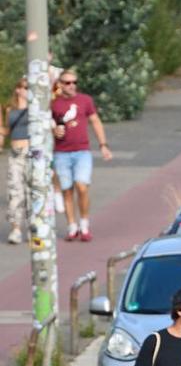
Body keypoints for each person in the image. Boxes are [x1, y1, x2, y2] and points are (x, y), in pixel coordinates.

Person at [49, 67, 111, 241]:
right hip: (61, 152)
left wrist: (103, 145)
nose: (72, 86)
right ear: (60, 85)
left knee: (82, 187)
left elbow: (95, 121)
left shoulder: (85, 100)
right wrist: (54, 131)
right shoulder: (54, 103)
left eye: (74, 82)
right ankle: (72, 227)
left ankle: (84, 225)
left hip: (82, 151)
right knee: (67, 191)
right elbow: (48, 124)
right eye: (67, 83)